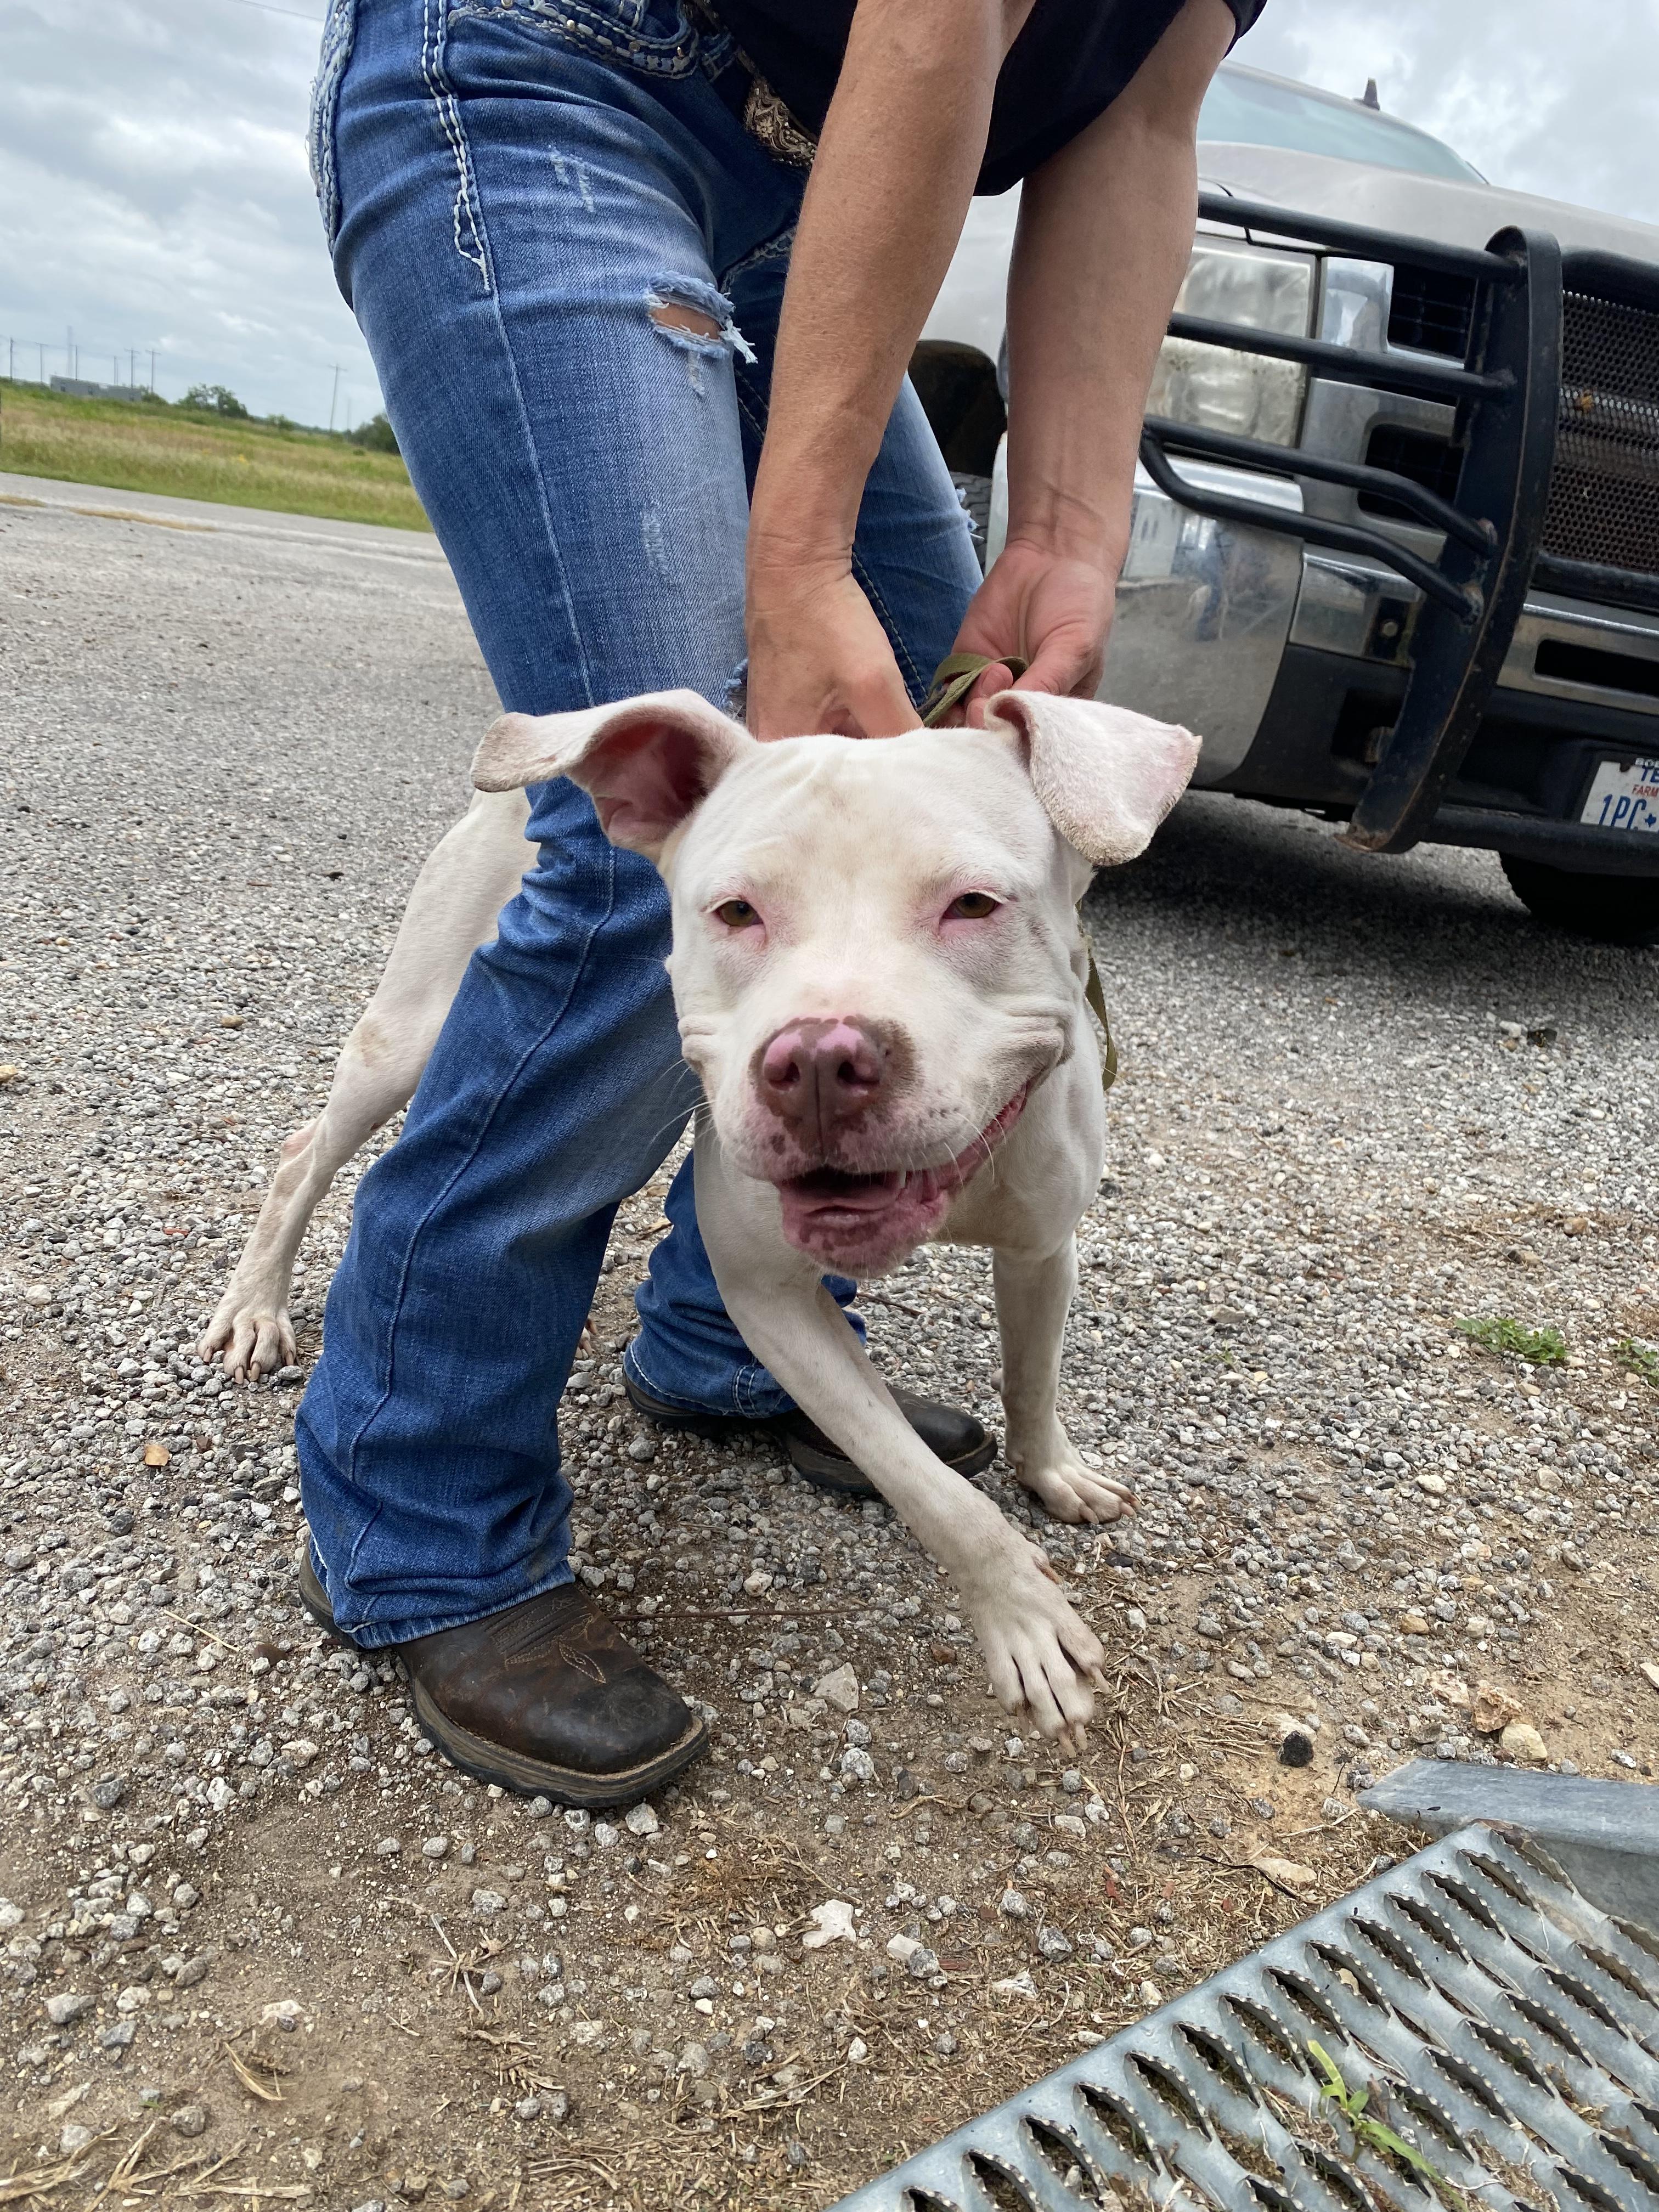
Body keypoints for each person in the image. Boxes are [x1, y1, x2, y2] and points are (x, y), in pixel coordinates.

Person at [294, 0, 1258, 1805]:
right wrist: (793, 547)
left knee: (893, 760)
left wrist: (1063, 524)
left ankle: (718, 1345)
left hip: (825, 180)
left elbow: (1132, 119)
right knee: (632, 863)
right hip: (548, 67)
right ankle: (426, 1516)